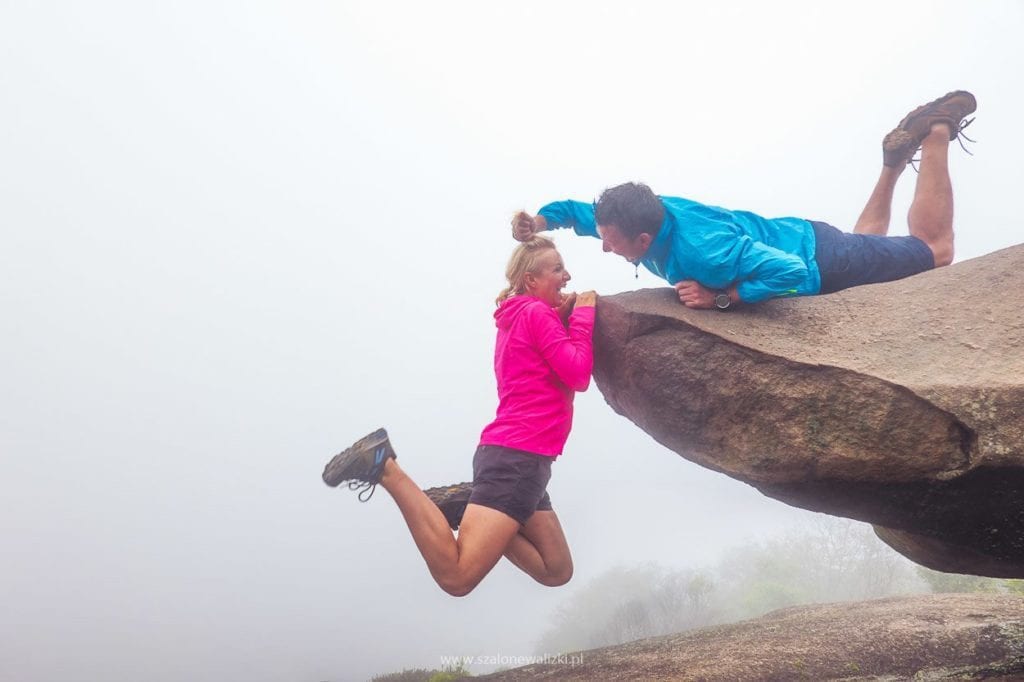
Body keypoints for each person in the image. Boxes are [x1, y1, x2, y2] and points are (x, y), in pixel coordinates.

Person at [511, 90, 977, 310]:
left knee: (936, 251)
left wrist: (723, 297)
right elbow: (576, 214)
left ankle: (936, 129)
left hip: (821, 258)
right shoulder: (631, 213)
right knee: (867, 246)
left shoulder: (703, 250)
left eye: (611, 242)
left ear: (644, 239)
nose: (604, 246)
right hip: (801, 235)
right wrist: (540, 221)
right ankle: (893, 164)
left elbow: (792, 273)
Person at [322, 236, 597, 597]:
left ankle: (467, 504)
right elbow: (578, 374)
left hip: (519, 456)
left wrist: (562, 317)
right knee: (457, 577)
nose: (567, 276)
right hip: (519, 460)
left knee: (556, 569)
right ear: (531, 280)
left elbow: (542, 362)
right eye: (558, 269)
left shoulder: (518, 316)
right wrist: (583, 316)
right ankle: (385, 467)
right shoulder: (535, 314)